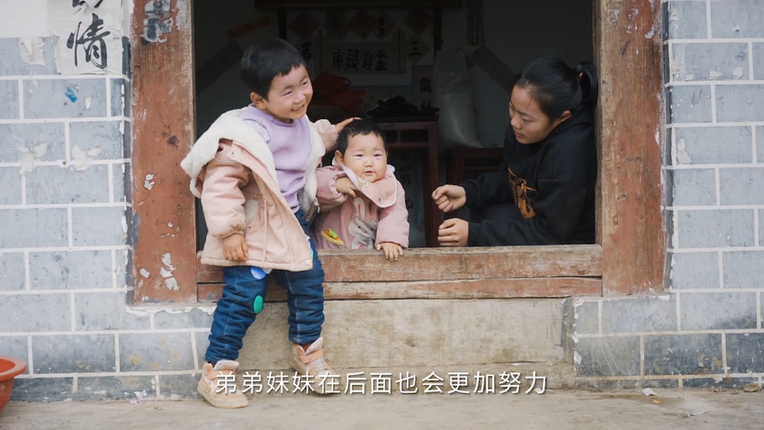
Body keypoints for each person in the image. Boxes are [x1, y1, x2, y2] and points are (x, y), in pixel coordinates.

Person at [180, 38, 353, 408]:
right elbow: (220, 185)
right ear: (259, 100)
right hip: (253, 229)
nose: (300, 96)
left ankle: (307, 351)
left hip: (291, 224)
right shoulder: (244, 135)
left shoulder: (300, 122)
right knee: (245, 296)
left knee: (309, 283)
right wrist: (229, 233)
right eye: (287, 91)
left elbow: (308, 145)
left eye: (303, 83)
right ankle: (216, 372)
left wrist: (326, 138)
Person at [432, 56, 598, 247]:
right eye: (512, 108)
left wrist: (474, 234)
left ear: (562, 117)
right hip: (534, 221)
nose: (514, 123)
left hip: (567, 243)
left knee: (480, 229)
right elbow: (510, 178)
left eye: (526, 119)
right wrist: (468, 192)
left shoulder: (569, 155)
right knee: (484, 210)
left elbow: (547, 234)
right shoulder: (521, 132)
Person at [312, 119, 409, 261]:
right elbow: (312, 188)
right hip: (327, 251)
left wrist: (390, 240)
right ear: (340, 158)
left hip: (367, 255)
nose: (369, 163)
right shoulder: (333, 175)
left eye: (377, 155)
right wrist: (336, 184)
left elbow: (395, 215)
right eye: (359, 155)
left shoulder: (389, 185)